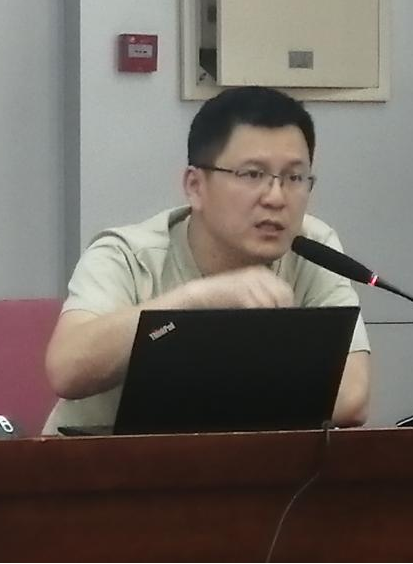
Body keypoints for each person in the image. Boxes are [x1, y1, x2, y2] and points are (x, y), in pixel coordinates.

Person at [42, 86, 371, 434]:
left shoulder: (312, 249)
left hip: (247, 463)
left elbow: (351, 397)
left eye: (294, 177)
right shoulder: (128, 255)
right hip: (100, 462)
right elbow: (67, 370)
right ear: (195, 186)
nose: (276, 198)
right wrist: (196, 300)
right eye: (252, 174)